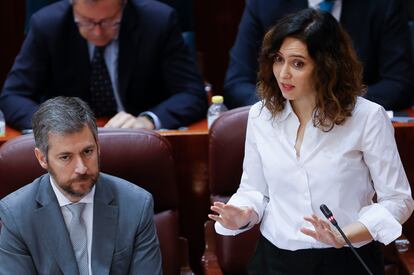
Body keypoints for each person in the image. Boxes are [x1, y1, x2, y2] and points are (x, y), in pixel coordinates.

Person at [209, 9, 414, 274]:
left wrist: (344, 235)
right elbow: (255, 190)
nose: (283, 74)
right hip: (275, 261)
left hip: (346, 259)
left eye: (298, 64)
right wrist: (244, 213)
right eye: (278, 59)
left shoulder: (367, 118)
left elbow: (398, 200)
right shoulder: (261, 116)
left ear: (327, 66)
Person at [0, 96, 162, 274]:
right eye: (65, 157)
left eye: (88, 151)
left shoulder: (136, 205)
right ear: (42, 159)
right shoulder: (17, 215)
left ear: (98, 147)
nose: (81, 168)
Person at [0, 0, 207, 131]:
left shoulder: (158, 22)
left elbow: (192, 93)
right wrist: (54, 126)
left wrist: (148, 121)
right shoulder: (47, 26)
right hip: (69, 147)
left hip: (138, 142)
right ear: (73, 7)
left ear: (124, 6)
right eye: (87, 22)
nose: (98, 32)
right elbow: (13, 96)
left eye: (109, 21)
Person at [223, 0, 414, 111]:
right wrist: (284, 108)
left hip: (353, 120)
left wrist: (336, 104)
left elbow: (399, 82)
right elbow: (237, 84)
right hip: (282, 124)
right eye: (279, 59)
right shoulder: (264, 4)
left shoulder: (383, 4)